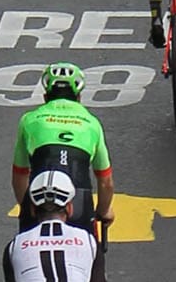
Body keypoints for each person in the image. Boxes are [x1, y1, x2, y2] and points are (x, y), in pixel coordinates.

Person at [11, 61, 113, 230]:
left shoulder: (29, 119)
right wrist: (103, 211)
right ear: (79, 98)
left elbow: (19, 175)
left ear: (45, 97)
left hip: (39, 200)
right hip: (79, 202)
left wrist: (26, 211)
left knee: (22, 251)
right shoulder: (93, 124)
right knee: (90, 253)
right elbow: (105, 181)